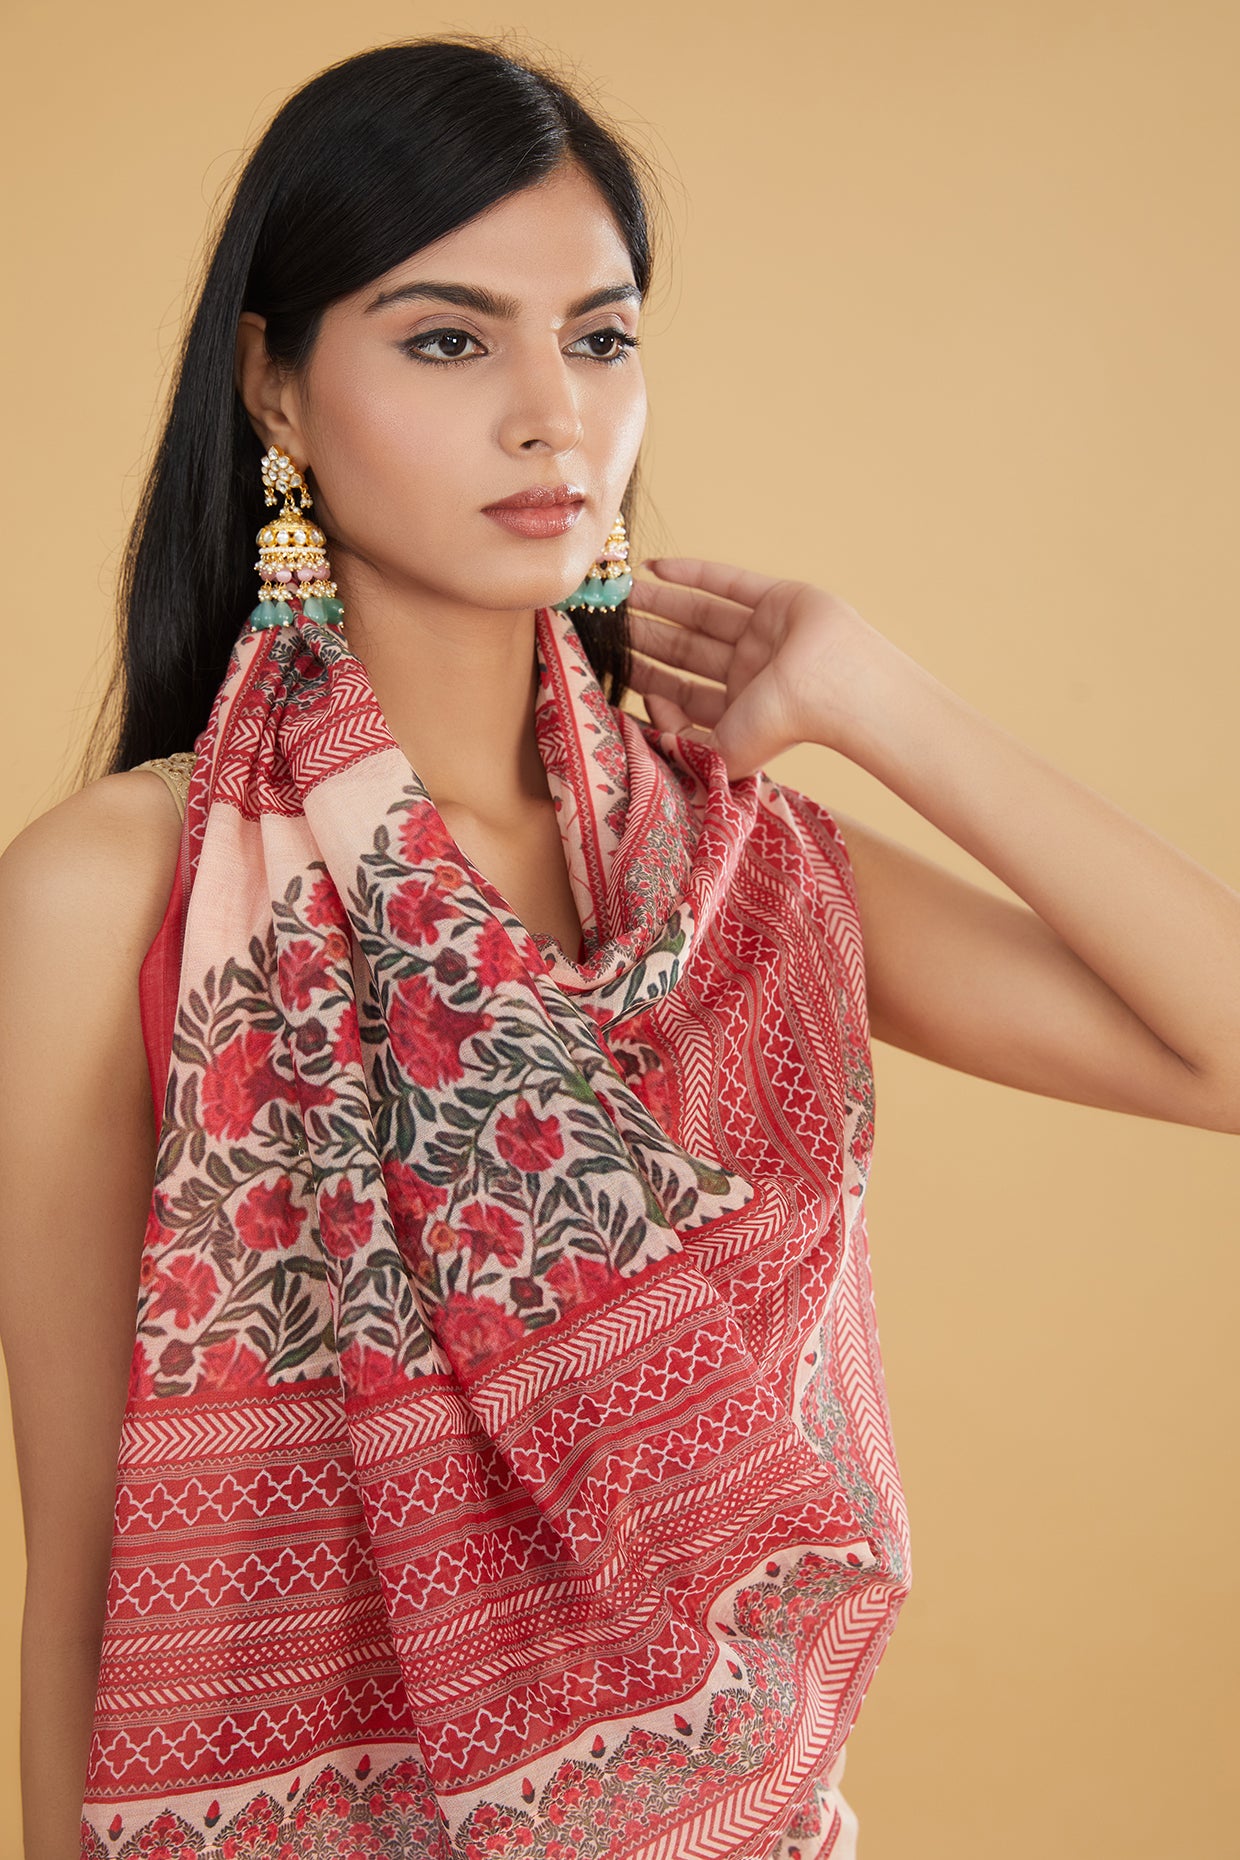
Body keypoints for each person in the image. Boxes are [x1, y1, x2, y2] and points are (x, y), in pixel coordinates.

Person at [0, 34, 1236, 1860]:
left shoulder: (739, 874)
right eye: (448, 340)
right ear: (275, 389)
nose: (551, 415)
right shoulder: (116, 891)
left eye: (599, 338)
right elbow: (92, 1567)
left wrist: (878, 698)